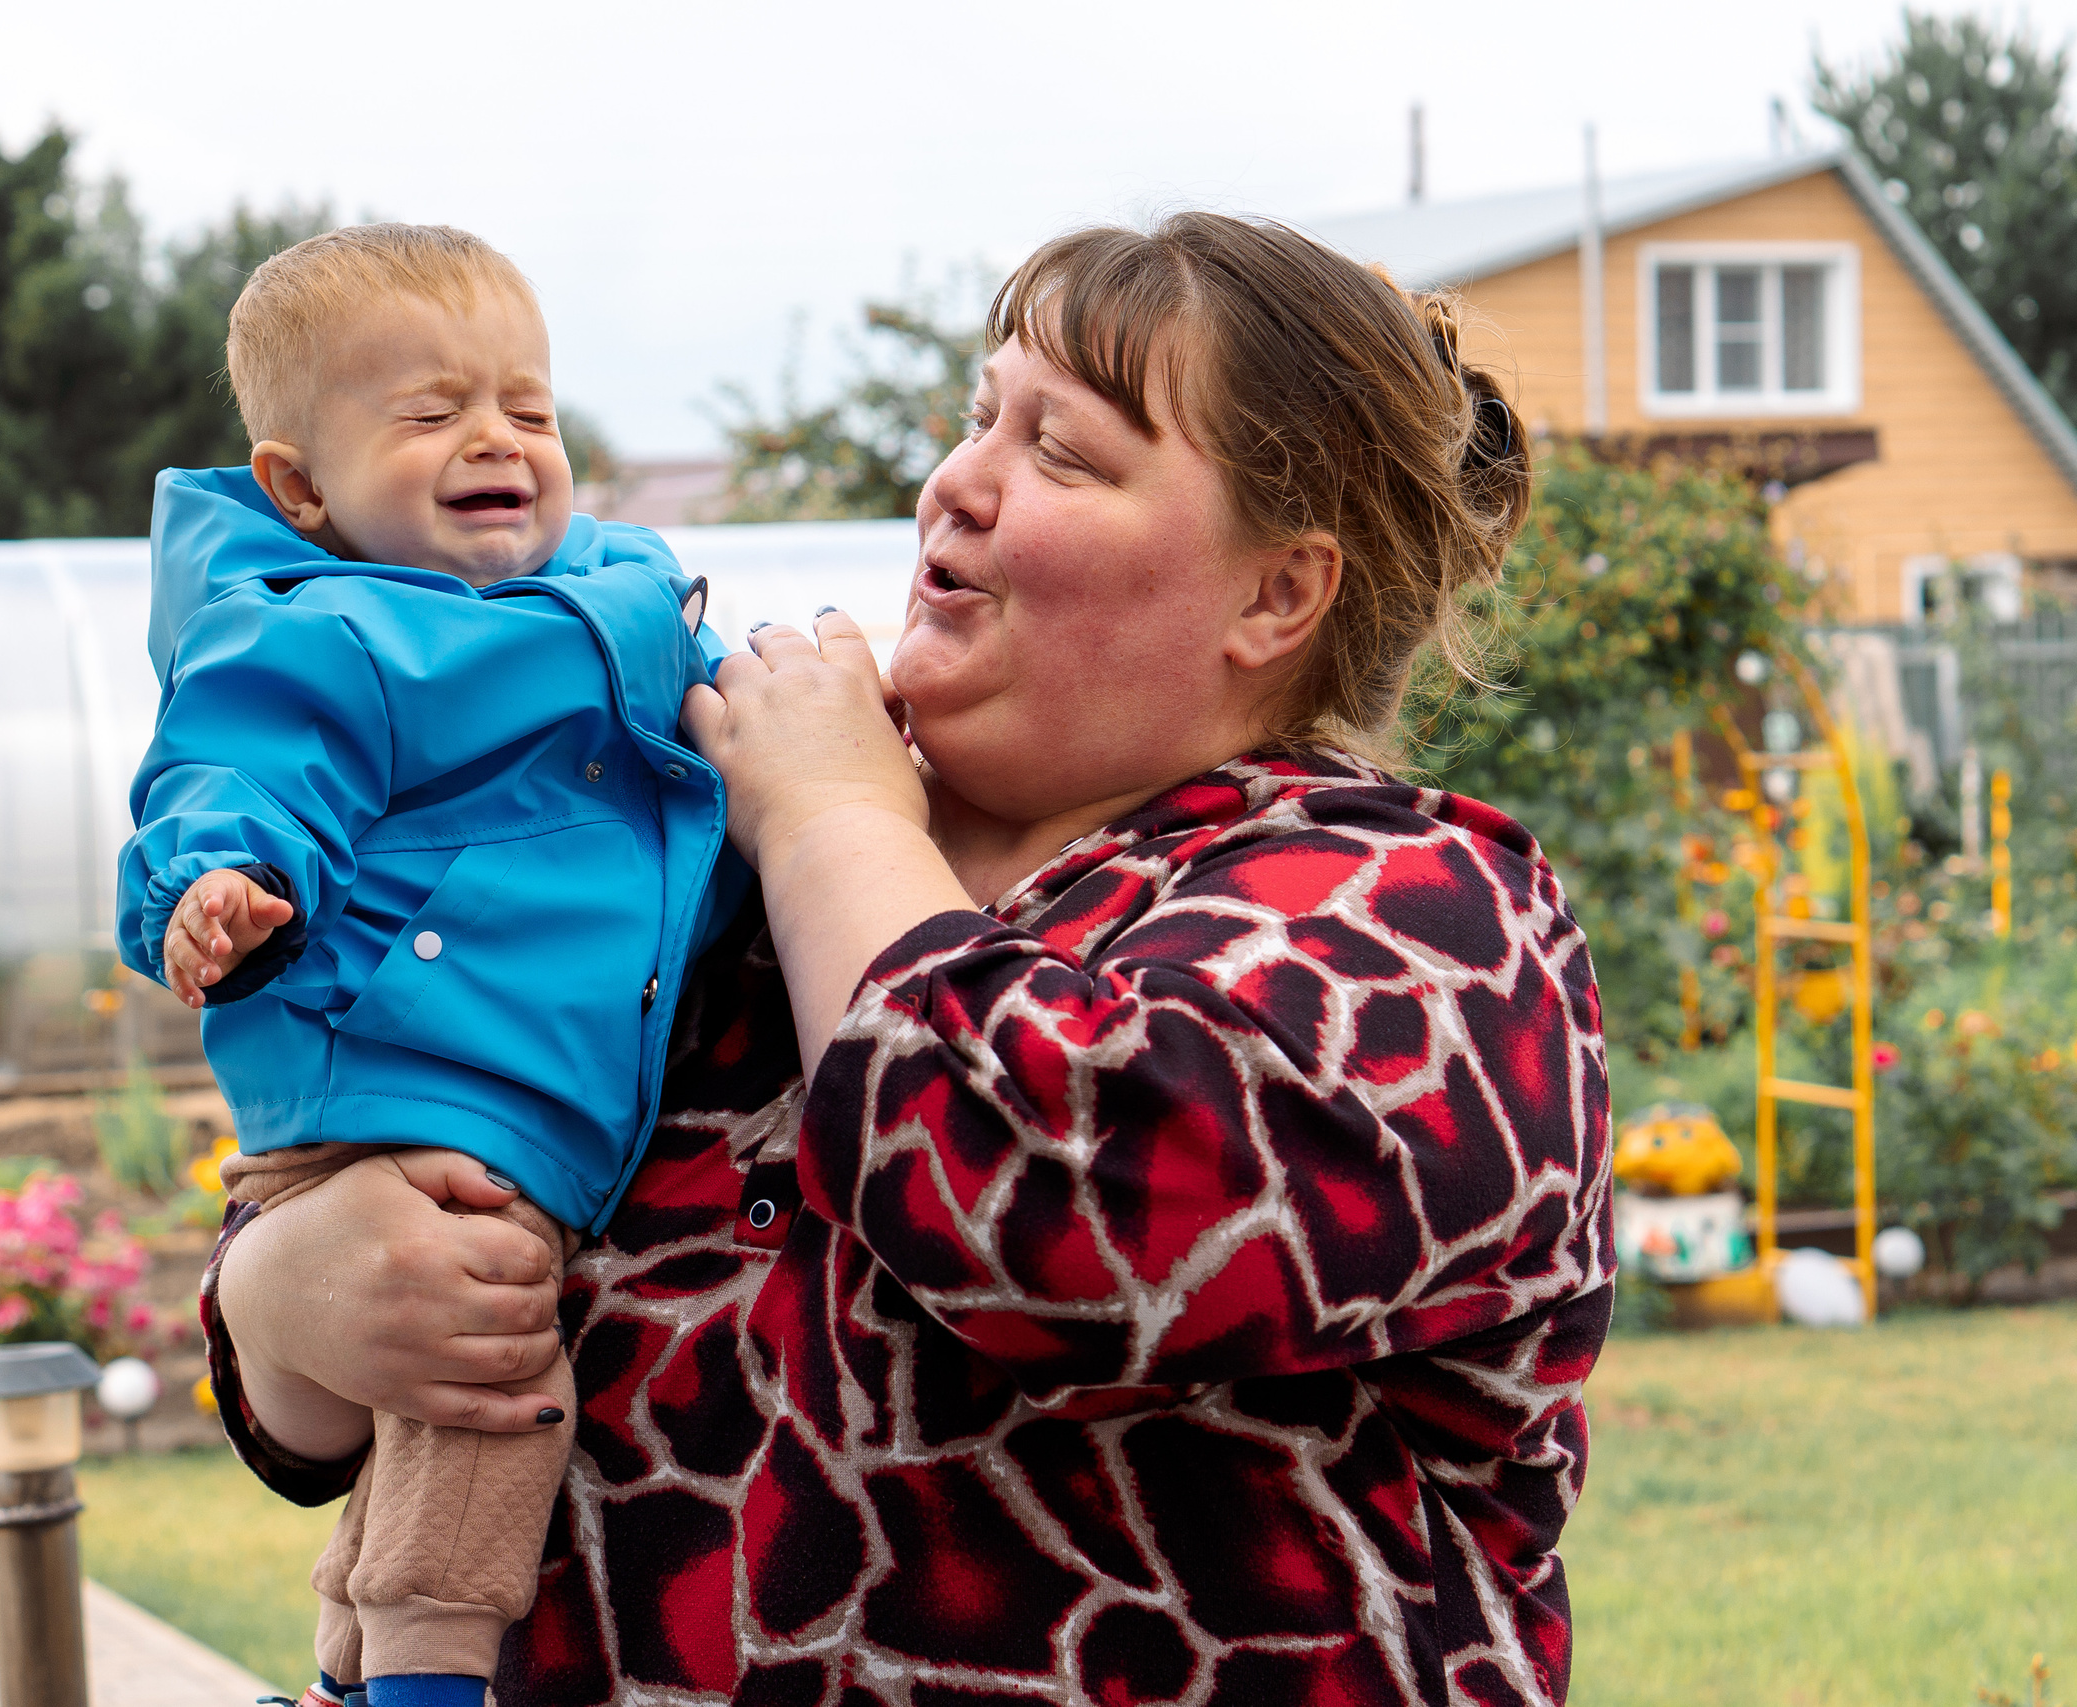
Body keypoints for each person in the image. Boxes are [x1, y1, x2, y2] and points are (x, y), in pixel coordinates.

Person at [203, 212, 1617, 1706]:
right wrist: (289, 1302)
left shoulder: (1423, 918)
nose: (958, 482)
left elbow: (1056, 1222)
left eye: (1061, 451)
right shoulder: (721, 884)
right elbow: (387, 1182)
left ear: (1277, 596)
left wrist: (830, 818)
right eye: (979, 418)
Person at [117, 223, 742, 1707]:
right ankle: (427, 1680)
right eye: (431, 412)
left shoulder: (627, 604)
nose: (497, 439)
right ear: (300, 488)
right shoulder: (319, 632)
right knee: (491, 1372)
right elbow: (234, 772)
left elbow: (727, 740)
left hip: (515, 1072)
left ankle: (349, 1670)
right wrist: (222, 885)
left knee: (439, 1380)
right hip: (411, 1074)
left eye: (529, 408)